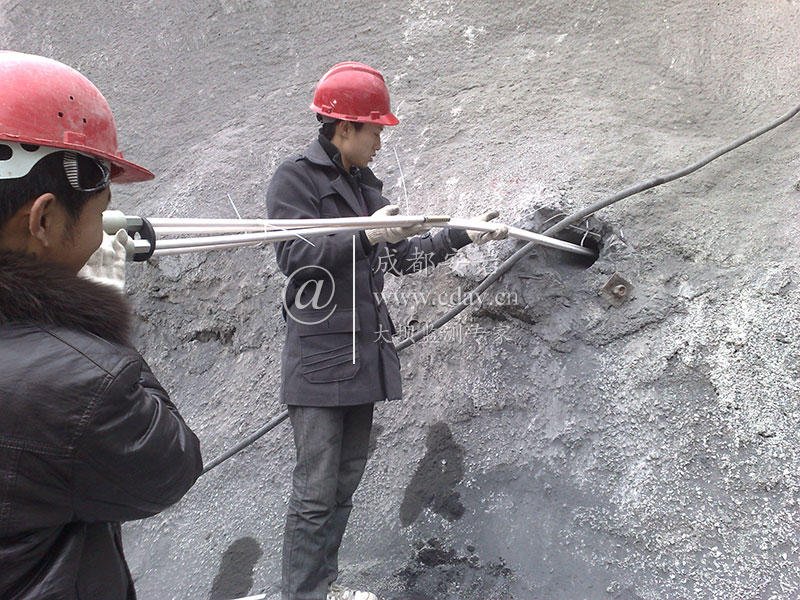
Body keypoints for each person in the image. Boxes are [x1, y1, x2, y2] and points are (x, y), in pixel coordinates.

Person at [266, 61, 507, 600]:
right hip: (319, 357)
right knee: (314, 490)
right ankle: (302, 595)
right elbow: (294, 258)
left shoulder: (365, 187)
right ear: (343, 127)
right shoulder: (295, 178)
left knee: (344, 483)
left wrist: (461, 235)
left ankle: (323, 586)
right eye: (374, 130)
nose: (380, 142)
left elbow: (400, 259)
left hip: (364, 354)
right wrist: (366, 237)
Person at [0, 51, 203, 599]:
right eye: (97, 212)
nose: (99, 235)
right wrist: (92, 315)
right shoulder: (82, 385)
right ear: (43, 219)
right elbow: (171, 465)